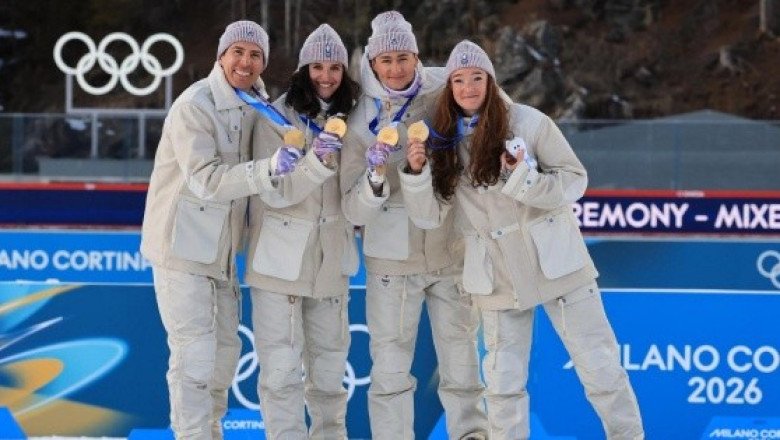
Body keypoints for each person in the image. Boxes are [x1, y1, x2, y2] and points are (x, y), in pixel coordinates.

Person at [404, 40, 644, 439]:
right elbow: (428, 216)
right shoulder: (442, 140)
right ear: (449, 88)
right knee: (502, 385)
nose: (467, 88)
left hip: (558, 264)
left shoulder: (529, 123)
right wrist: (415, 174)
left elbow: (574, 180)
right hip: (496, 275)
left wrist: (523, 178)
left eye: (476, 78)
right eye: (458, 80)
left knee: (600, 367)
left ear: (490, 79)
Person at [340, 11, 488, 440]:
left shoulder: (445, 86)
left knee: (461, 363)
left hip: (449, 248)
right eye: (386, 60)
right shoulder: (356, 120)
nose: (396, 68)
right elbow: (351, 210)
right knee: (389, 371)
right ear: (372, 63)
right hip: (391, 262)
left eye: (403, 57)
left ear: (417, 55)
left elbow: (492, 99)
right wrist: (374, 179)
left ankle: (472, 435)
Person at [141, 20, 288, 440]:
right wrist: (269, 170)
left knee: (225, 354)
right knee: (194, 357)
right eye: (238, 52)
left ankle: (211, 432)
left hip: (222, 252)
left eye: (256, 55)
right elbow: (206, 178)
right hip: (182, 248)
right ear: (221, 56)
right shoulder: (195, 105)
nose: (246, 61)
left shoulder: (258, 103)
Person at [244, 24, 360, 439]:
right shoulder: (274, 118)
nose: (325, 76)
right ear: (302, 69)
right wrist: (315, 162)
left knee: (330, 374)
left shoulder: (356, 116)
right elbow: (272, 192)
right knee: (281, 373)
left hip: (332, 261)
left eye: (334, 67)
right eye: (317, 66)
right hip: (279, 264)